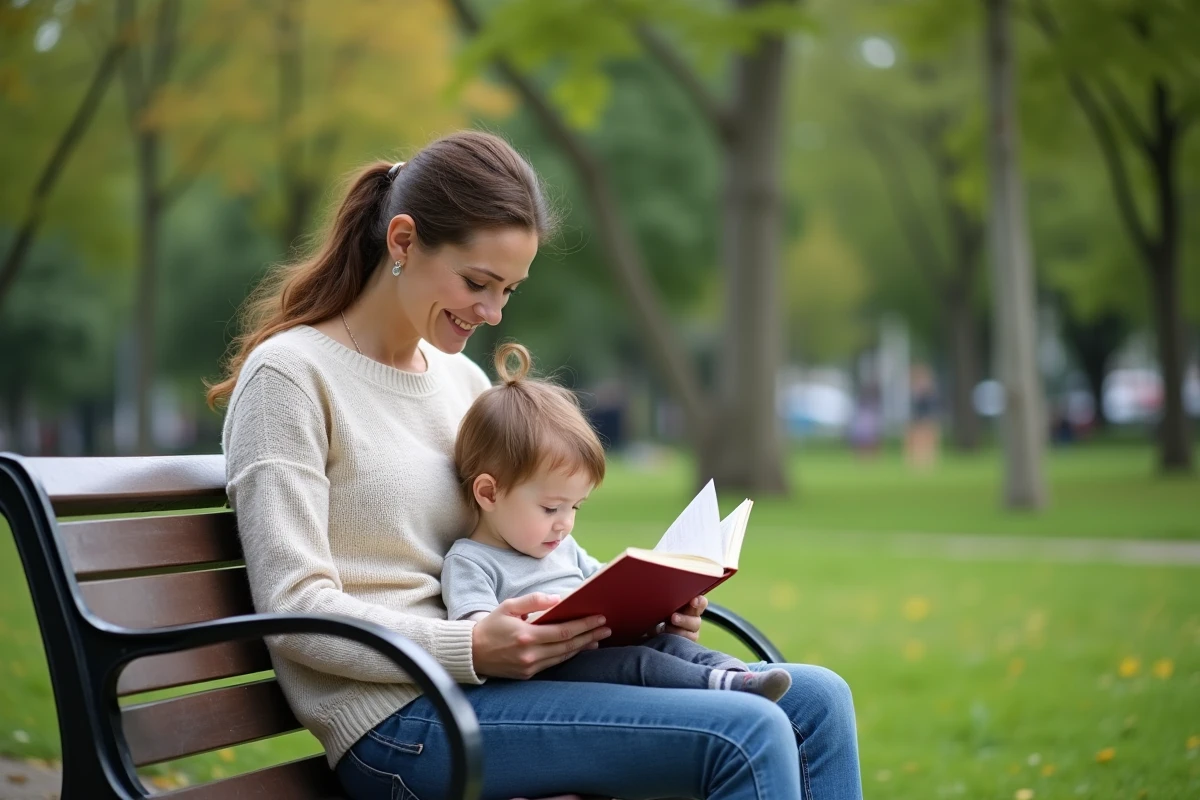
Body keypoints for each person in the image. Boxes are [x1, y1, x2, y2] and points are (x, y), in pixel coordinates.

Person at [210, 130, 863, 800]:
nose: (492, 313)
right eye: (477, 283)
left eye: (509, 290)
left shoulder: (460, 381)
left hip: (502, 687)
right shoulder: (290, 377)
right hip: (401, 723)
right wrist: (470, 647)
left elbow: (514, 549)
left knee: (818, 701)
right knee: (747, 732)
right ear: (402, 241)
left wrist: (635, 613)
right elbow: (296, 609)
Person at [443, 341, 794, 701]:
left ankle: (737, 676)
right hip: (552, 676)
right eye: (551, 508)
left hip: (602, 652)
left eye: (576, 508)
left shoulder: (562, 547)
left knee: (669, 646)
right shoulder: (470, 562)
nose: (565, 524)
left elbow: (604, 586)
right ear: (489, 493)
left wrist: (658, 603)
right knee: (639, 662)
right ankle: (721, 687)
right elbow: (480, 638)